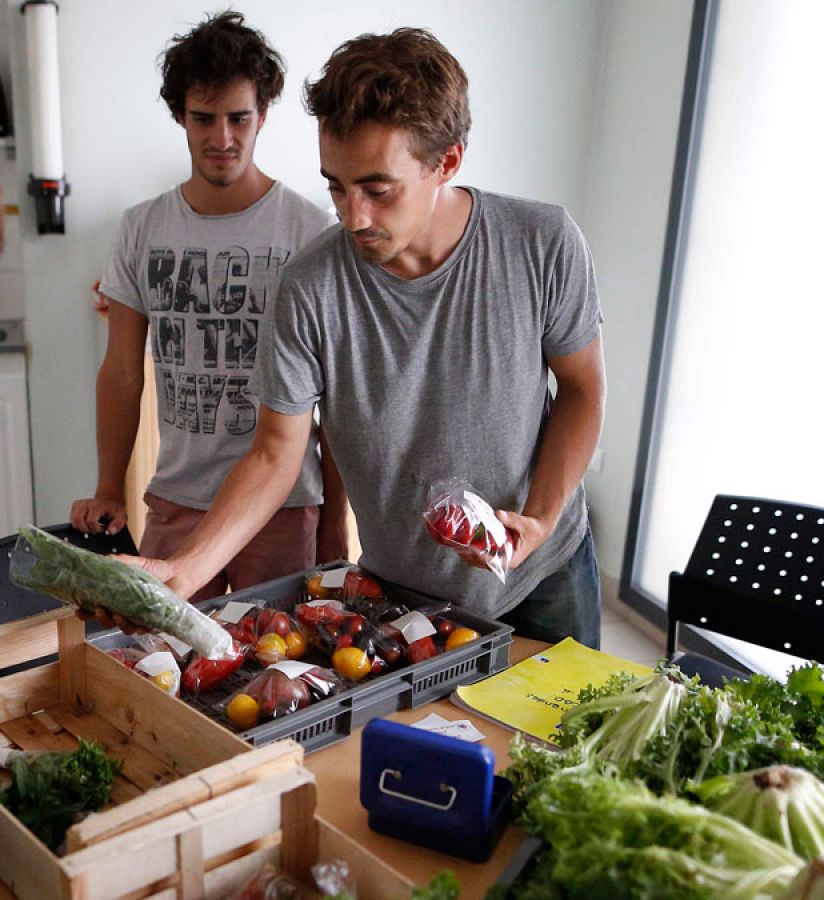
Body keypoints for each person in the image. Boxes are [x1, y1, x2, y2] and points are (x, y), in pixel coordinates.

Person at [131, 29, 608, 647]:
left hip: (546, 575)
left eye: (378, 190)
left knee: (572, 739)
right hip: (404, 593)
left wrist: (539, 519)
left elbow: (581, 390)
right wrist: (184, 569)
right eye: (335, 185)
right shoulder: (308, 285)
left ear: (448, 162)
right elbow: (277, 454)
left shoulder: (542, 242)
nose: (352, 216)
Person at [68, 12, 344, 601]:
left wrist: (337, 520)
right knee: (168, 669)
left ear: (263, 115)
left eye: (238, 118)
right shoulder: (143, 227)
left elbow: (339, 394)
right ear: (180, 117)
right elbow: (120, 372)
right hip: (178, 497)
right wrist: (109, 486)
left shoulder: (310, 230)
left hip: (284, 506)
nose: (221, 139)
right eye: (203, 118)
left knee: (281, 675)